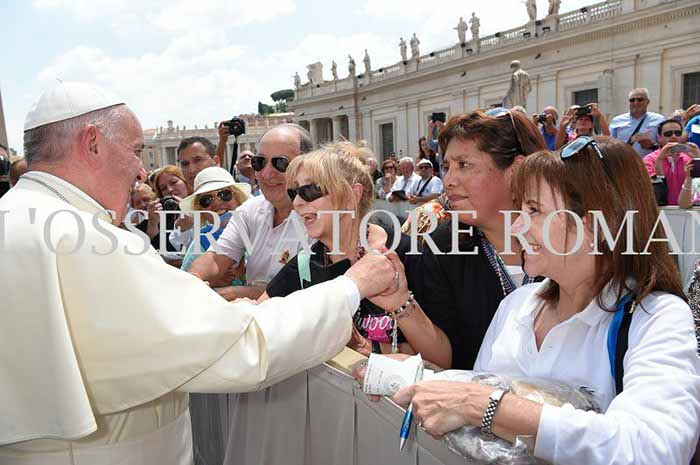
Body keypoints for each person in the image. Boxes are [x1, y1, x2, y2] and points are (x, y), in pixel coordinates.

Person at [0, 81, 401, 464]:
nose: (140, 172)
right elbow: (241, 348)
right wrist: (352, 286)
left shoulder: (24, 218)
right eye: (136, 152)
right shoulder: (81, 238)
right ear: (92, 143)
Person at [386, 136, 700, 465]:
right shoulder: (517, 304)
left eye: (534, 210)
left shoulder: (655, 316)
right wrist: (422, 381)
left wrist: (485, 405)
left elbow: (655, 449)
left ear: (595, 223)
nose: (516, 225)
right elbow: (475, 419)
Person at [380, 108, 548, 370]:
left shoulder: (568, 241)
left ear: (516, 170)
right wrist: (401, 304)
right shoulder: (441, 248)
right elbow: (445, 361)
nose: (448, 180)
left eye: (464, 165)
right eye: (447, 167)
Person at [259, 141, 416, 356]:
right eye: (294, 192)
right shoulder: (304, 266)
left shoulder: (405, 253)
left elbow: (444, 356)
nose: (297, 202)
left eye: (310, 190)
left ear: (352, 196)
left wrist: (369, 348)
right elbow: (258, 323)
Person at [188, 123, 314, 301]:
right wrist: (192, 280)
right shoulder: (249, 210)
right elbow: (216, 258)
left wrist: (239, 293)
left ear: (306, 166)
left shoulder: (322, 218)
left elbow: (308, 290)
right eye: (259, 162)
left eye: (280, 163)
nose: (267, 173)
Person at [180, 167, 250, 286]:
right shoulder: (202, 241)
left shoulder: (258, 228)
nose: (217, 203)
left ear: (238, 197)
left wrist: (244, 272)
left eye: (224, 194)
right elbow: (185, 284)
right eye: (206, 200)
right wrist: (211, 282)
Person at [134, 165, 192, 255]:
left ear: (185, 181)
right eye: (163, 188)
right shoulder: (160, 215)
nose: (170, 189)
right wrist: (153, 223)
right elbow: (152, 250)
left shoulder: (203, 206)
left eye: (174, 182)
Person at [644, 118, 700, 206]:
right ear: (659, 138)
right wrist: (659, 160)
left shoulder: (689, 158)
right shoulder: (649, 160)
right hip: (661, 210)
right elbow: (655, 190)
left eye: (678, 133)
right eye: (668, 134)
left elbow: (697, 188)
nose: (673, 136)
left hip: (689, 210)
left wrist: (697, 159)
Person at [610, 87, 665, 156]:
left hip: (648, 162)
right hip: (624, 161)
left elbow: (666, 144)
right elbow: (609, 144)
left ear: (647, 102)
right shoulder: (617, 121)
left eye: (640, 99)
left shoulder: (659, 120)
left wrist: (652, 146)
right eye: (632, 100)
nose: (636, 103)